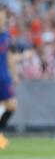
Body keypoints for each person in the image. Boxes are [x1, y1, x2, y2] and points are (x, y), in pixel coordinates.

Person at [0, 9, 18, 150]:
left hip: (4, 77)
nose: (3, 21)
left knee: (12, 106)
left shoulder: (6, 36)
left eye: (4, 18)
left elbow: (9, 56)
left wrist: (14, 74)